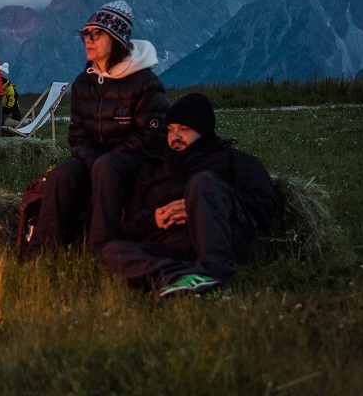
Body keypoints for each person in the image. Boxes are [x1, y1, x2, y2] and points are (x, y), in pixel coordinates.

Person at [27, 0, 169, 258]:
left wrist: (107, 159)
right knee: (61, 174)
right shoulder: (84, 83)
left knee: (107, 168)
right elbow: (77, 135)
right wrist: (93, 160)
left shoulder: (144, 82)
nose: (88, 40)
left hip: (138, 162)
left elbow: (152, 135)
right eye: (86, 34)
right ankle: (39, 254)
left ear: (116, 39)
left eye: (97, 34)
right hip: (98, 162)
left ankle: (101, 253)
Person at [99, 93, 276, 297]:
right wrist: (153, 219)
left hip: (221, 244)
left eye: (184, 130)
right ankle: (182, 277)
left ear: (203, 131)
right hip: (170, 247)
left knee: (202, 182)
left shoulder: (234, 161)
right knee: (112, 251)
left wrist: (206, 205)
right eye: (170, 130)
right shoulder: (153, 170)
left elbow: (265, 210)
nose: (175, 137)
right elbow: (129, 228)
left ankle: (216, 276)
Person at [0, 63, 22, 128]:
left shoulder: (10, 90)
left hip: (13, 118)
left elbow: (9, 109)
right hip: (4, 117)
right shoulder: (2, 88)